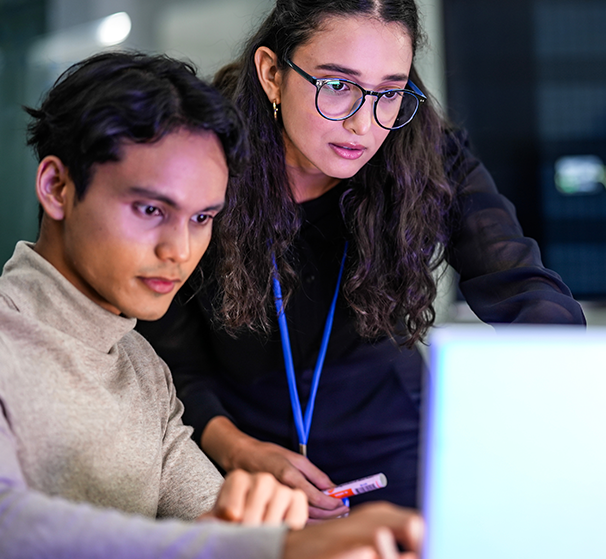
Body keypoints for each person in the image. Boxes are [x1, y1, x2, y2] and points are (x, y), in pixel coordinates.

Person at [137, 0, 586, 517]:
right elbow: (169, 355)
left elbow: (521, 284)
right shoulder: (204, 159)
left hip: (393, 444)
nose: (363, 122)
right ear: (273, 73)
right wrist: (241, 451)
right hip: (239, 452)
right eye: (337, 85)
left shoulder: (422, 152)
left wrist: (561, 377)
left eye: (389, 91)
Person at [0, 51, 422, 559]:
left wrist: (270, 532)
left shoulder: (141, 366)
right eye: (151, 209)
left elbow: (211, 521)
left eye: (202, 219)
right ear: (57, 187)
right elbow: (12, 526)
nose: (178, 251)